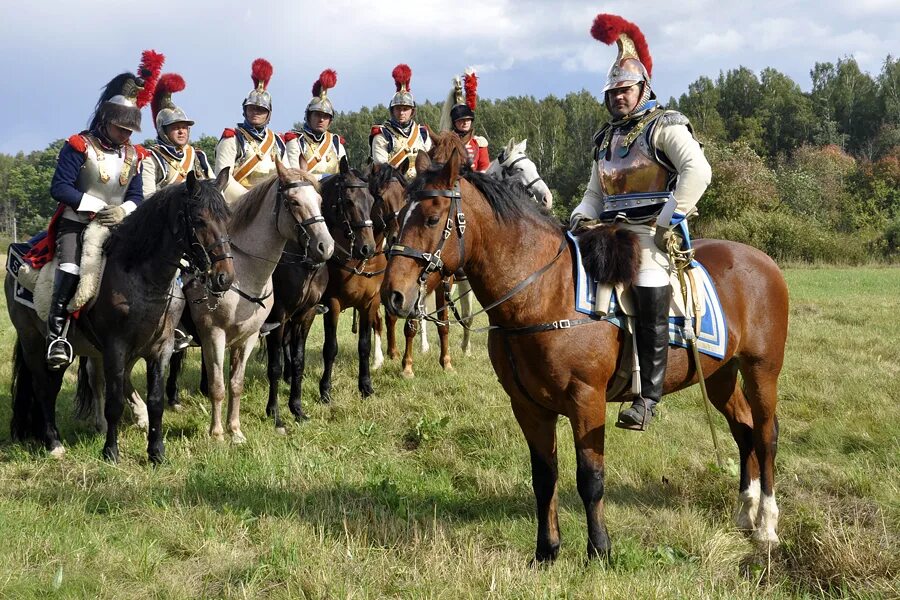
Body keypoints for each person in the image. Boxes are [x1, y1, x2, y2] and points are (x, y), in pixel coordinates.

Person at [570, 14, 712, 431]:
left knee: (649, 284)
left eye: (624, 89)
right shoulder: (606, 139)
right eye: (612, 92)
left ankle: (648, 398)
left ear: (643, 88)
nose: (617, 97)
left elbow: (698, 171)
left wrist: (670, 221)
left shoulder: (664, 126)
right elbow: (596, 192)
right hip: (608, 233)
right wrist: (581, 216)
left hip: (652, 234)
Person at [43, 50, 164, 369]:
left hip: (119, 225)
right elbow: (60, 187)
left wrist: (124, 210)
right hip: (77, 223)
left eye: (130, 131)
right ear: (106, 121)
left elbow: (137, 194)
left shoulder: (135, 155)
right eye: (121, 129)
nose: (126, 135)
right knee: (70, 270)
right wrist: (96, 205)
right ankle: (58, 335)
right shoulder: (78, 145)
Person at [215, 58, 286, 204]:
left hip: (272, 204)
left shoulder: (277, 141)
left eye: (261, 109)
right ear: (245, 110)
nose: (256, 112)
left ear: (268, 114)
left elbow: (287, 174)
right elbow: (223, 178)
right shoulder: (232, 138)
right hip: (239, 205)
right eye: (252, 108)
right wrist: (252, 200)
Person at [143, 72, 213, 197]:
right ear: (163, 131)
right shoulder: (151, 158)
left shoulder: (197, 155)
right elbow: (147, 197)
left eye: (184, 127)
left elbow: (214, 188)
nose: (181, 132)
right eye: (175, 128)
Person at [370, 64, 432, 179]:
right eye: (398, 108)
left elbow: (429, 162)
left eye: (405, 109)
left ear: (412, 111)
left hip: (420, 185)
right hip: (393, 185)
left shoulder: (422, 133)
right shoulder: (382, 134)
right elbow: (381, 166)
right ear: (392, 110)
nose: (402, 113)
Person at [284, 69, 349, 179]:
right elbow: (294, 177)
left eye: (325, 116)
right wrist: (325, 177)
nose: (321, 119)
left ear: (330, 120)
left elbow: (345, 174)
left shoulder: (336, 144)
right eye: (317, 115)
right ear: (309, 117)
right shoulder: (296, 141)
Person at [439, 68, 489, 172]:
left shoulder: (479, 142)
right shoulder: (445, 142)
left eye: (468, 119)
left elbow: (484, 168)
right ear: (454, 122)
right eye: (461, 120)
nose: (465, 122)